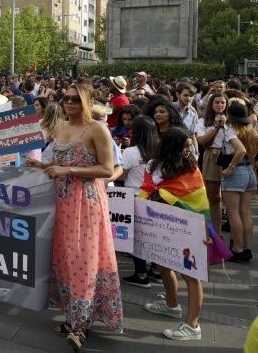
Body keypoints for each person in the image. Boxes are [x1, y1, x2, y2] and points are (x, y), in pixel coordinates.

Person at [26, 83, 122, 350]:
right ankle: (72, 316)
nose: (69, 103)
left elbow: (107, 169)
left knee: (85, 258)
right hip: (61, 201)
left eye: (76, 100)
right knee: (65, 258)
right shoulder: (60, 128)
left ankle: (81, 325)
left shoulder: (97, 129)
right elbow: (57, 166)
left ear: (87, 102)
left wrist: (67, 170)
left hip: (87, 204)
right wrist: (41, 166)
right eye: (66, 99)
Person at [140, 127, 211, 341]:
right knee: (163, 264)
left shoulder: (191, 169)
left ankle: (193, 326)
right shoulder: (153, 165)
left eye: (190, 145)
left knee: (191, 275)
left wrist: (206, 230)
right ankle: (172, 305)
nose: (189, 149)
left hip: (186, 229)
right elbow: (147, 189)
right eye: (185, 146)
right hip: (160, 226)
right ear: (172, 147)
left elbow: (199, 202)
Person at [118, 116, 161, 287]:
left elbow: (121, 175)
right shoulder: (160, 150)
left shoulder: (131, 151)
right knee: (153, 236)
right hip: (156, 198)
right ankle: (156, 271)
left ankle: (141, 274)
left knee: (137, 238)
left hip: (135, 197)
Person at [196, 92, 245, 233]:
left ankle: (235, 235)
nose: (220, 105)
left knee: (230, 199)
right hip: (211, 156)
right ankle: (216, 233)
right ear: (211, 104)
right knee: (214, 197)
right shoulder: (203, 121)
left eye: (223, 102)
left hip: (229, 157)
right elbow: (201, 141)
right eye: (217, 102)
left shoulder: (232, 121)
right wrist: (216, 127)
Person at [221, 102, 256, 262]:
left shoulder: (230, 130)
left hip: (236, 172)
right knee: (245, 212)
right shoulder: (250, 131)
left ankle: (237, 248)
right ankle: (246, 248)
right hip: (249, 171)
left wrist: (230, 168)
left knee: (233, 212)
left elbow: (240, 150)